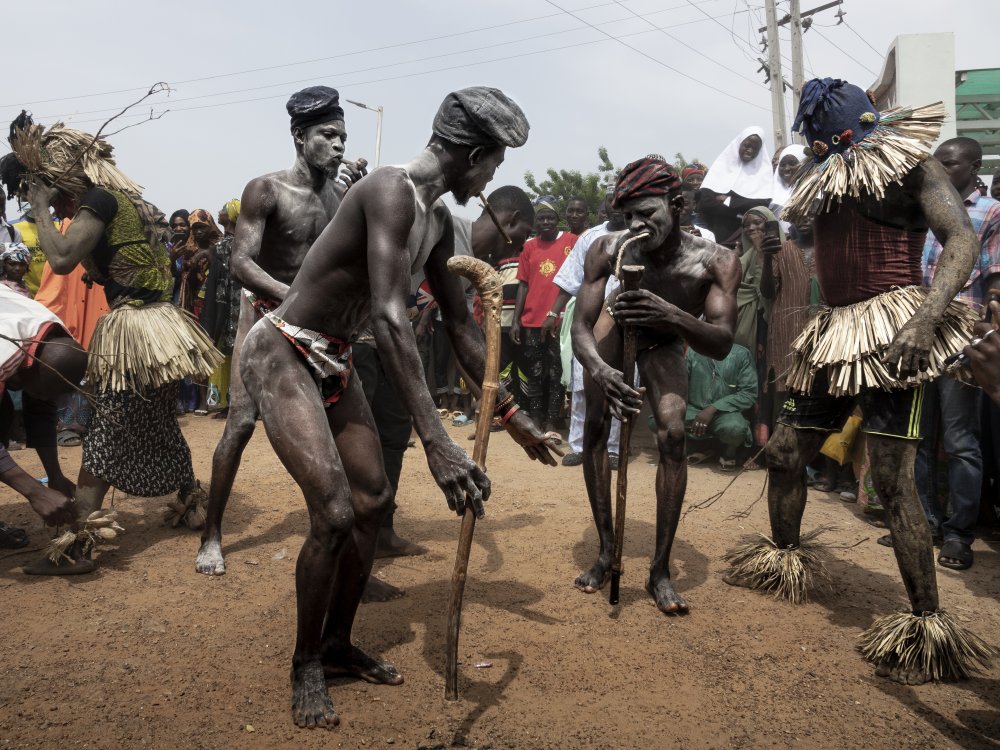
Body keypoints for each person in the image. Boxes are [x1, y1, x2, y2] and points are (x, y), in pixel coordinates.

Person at [236, 86, 557, 728]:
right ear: (472, 154)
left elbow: (461, 327)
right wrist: (436, 440)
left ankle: (336, 643)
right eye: (493, 163)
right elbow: (387, 316)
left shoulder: (435, 222)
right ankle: (305, 661)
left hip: (335, 357)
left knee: (372, 501)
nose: (490, 180)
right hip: (284, 351)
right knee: (333, 512)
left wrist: (511, 416)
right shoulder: (389, 189)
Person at [722, 78, 993, 684]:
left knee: (893, 481)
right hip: (832, 335)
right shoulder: (823, 178)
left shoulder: (914, 166)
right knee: (785, 453)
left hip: (895, 329)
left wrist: (926, 318)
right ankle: (784, 557)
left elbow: (962, 238)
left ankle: (925, 625)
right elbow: (801, 238)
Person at [7, 115, 223, 575]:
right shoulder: (128, 200)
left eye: (53, 190)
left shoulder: (99, 199)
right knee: (160, 422)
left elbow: (60, 259)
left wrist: (40, 210)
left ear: (64, 177)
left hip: (138, 330)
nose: (55, 202)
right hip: (160, 328)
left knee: (106, 431)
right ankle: (193, 503)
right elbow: (129, 256)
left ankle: (77, 546)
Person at [196, 86, 366, 577]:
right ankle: (211, 534)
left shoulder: (341, 198)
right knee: (240, 425)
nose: (338, 145)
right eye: (327, 135)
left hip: (320, 329)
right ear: (299, 137)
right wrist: (293, 298)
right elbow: (241, 262)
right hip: (264, 318)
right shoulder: (266, 189)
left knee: (336, 432)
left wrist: (361, 196)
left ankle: (341, 543)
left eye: (342, 137)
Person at [572, 156, 740, 613]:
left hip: (666, 338)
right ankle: (606, 552)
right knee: (595, 424)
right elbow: (581, 327)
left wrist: (669, 314)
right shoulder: (608, 248)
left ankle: (659, 571)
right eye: (628, 215)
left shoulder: (717, 261)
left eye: (647, 213)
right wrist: (601, 371)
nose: (636, 225)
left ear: (677, 205)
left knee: (674, 433)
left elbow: (721, 343)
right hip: (616, 325)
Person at [912, 137, 1000, 571]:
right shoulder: (926, 208)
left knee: (961, 439)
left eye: (950, 164)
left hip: (961, 335)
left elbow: (994, 280)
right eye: (938, 164)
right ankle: (924, 522)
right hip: (918, 331)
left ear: (974, 166)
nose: (942, 171)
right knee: (919, 435)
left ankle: (959, 534)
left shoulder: (991, 212)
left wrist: (987, 329)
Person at [0, 283, 87, 544]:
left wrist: (55, 476)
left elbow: (40, 406)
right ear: (31, 370)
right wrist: (34, 491)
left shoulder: (53, 338)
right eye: (41, 392)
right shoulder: (5, 355)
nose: (46, 400)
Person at [547, 194, 626, 468]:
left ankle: (613, 449)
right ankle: (580, 446)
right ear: (604, 207)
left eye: (622, 202)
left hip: (625, 323)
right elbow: (570, 279)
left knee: (620, 385)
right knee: (582, 386)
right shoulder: (590, 237)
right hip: (588, 322)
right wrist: (553, 313)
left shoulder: (640, 234)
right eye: (611, 202)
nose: (615, 208)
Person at [511, 196, 577, 430]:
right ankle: (536, 417)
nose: (546, 222)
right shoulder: (529, 247)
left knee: (557, 372)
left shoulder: (572, 241)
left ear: (558, 220)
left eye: (550, 218)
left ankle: (552, 419)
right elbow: (523, 285)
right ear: (535, 223)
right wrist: (516, 321)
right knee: (535, 371)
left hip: (561, 321)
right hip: (532, 321)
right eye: (541, 219)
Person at [200, 199, 244, 416]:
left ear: (232, 216)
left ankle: (233, 404)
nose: (219, 211)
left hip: (229, 306)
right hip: (235, 304)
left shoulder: (225, 246)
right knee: (232, 353)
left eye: (224, 209)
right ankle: (233, 402)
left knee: (231, 353)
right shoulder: (239, 244)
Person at [685, 344, 756, 470]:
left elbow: (748, 394)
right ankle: (701, 448)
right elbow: (680, 384)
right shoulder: (693, 351)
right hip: (695, 411)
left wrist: (713, 408)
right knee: (660, 420)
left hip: (726, 414)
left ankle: (728, 454)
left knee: (735, 429)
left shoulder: (741, 354)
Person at [696, 127, 772, 244]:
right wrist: (739, 214)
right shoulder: (720, 167)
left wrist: (728, 200)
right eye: (747, 145)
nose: (750, 151)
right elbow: (706, 202)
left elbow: (761, 206)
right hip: (713, 235)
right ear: (739, 144)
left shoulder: (763, 174)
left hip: (746, 238)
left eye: (755, 148)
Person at [769, 144, 809, 220]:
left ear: (804, 165)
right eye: (782, 165)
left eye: (792, 164)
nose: (787, 168)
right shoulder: (769, 195)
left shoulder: (816, 192)